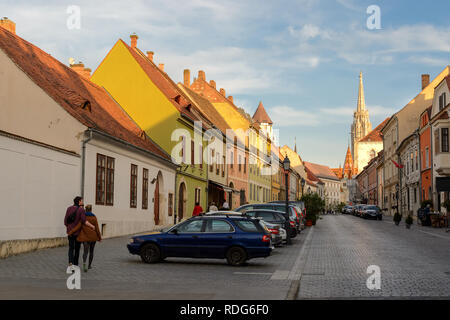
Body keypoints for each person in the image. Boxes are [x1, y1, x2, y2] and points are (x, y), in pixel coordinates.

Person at [64, 196, 94, 267]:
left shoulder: (69, 209)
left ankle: (70, 262)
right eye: (81, 201)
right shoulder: (81, 210)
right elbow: (84, 221)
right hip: (77, 233)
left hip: (70, 232)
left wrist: (69, 228)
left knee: (71, 248)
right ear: (79, 202)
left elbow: (65, 221)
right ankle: (75, 264)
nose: (82, 202)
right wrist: (92, 226)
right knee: (77, 249)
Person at [75, 205, 102, 272]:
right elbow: (97, 228)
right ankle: (89, 265)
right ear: (91, 209)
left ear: (85, 209)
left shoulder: (83, 217)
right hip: (93, 237)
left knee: (85, 251)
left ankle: (84, 263)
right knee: (91, 251)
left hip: (85, 237)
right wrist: (99, 237)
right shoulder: (94, 217)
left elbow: (79, 226)